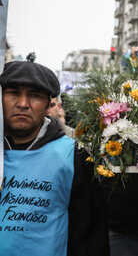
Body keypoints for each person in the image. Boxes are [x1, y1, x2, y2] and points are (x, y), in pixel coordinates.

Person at [0, 60, 109, 256]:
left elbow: (90, 236)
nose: (23, 104)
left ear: (47, 103)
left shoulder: (72, 155)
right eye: (14, 92)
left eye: (34, 95)